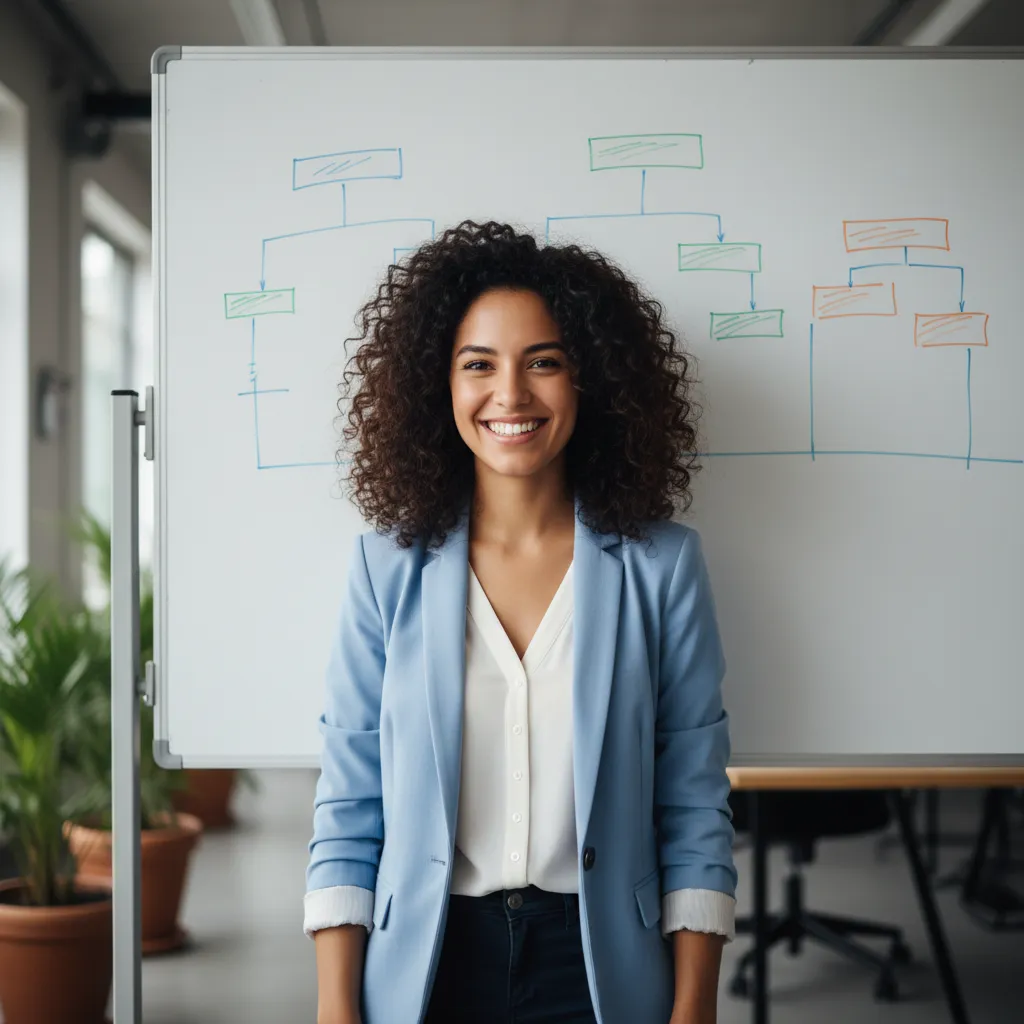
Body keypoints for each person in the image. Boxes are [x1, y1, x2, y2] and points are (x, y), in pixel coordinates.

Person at [303, 220, 737, 1024]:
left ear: (589, 381)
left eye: (544, 361)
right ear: (441, 385)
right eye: (479, 365)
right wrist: (337, 1009)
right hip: (426, 965)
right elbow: (350, 801)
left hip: (602, 966)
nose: (511, 395)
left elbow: (692, 804)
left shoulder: (663, 567)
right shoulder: (385, 570)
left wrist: (694, 1007)